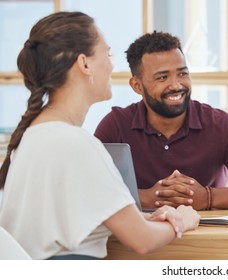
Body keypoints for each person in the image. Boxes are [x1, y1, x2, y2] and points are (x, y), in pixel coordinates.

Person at [0, 11, 199, 260]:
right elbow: (142, 240)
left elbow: (67, 221)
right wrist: (183, 220)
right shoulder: (76, 144)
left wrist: (146, 218)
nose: (112, 64)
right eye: (108, 54)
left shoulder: (31, 138)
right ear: (84, 64)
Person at [94, 31, 228, 211]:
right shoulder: (116, 125)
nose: (176, 85)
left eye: (183, 74)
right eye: (162, 77)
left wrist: (207, 198)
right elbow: (87, 189)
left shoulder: (220, 125)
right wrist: (146, 198)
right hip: (138, 241)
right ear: (137, 86)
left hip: (210, 241)